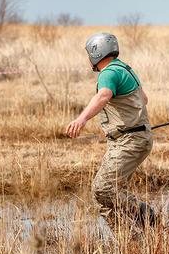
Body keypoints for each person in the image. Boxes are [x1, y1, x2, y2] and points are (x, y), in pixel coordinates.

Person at [66, 32, 156, 228]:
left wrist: (81, 119)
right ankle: (130, 238)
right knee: (105, 194)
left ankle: (149, 218)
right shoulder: (125, 69)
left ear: (96, 53)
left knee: (103, 189)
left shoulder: (108, 73)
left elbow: (103, 96)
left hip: (129, 141)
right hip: (133, 138)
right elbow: (144, 99)